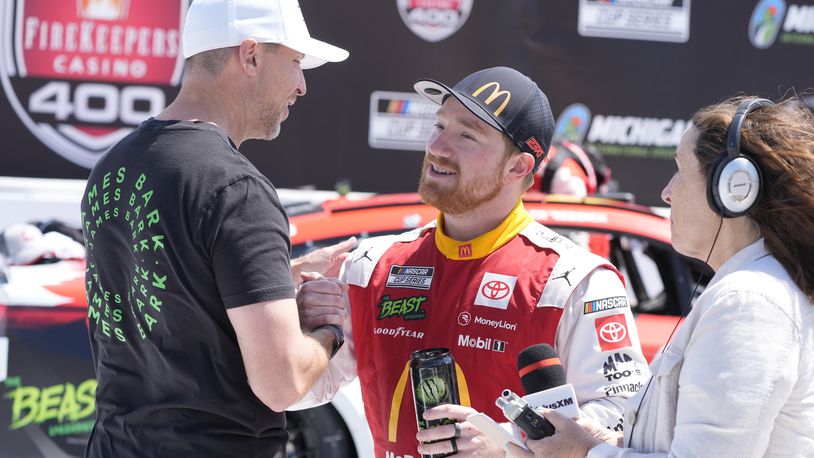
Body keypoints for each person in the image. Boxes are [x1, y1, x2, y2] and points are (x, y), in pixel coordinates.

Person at [293, 67, 650, 457]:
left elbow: (622, 420)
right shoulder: (370, 265)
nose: (438, 147)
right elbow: (300, 392)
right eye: (439, 126)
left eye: (466, 135)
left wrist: (508, 443)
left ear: (518, 167)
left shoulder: (576, 280)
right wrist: (292, 330)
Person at [79, 0, 349, 456]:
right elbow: (281, 382)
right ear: (250, 56)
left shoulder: (112, 165)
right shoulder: (236, 188)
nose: (302, 86)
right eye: (297, 63)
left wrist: (280, 277)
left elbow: (174, 289)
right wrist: (331, 330)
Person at [508, 95, 814, 457]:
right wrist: (601, 442)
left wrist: (583, 453)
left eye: (680, 170)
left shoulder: (748, 302)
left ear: (734, 189)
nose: (666, 193)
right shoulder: (749, 290)